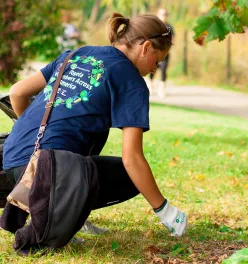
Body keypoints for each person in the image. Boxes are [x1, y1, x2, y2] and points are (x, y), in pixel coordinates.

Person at [1, 12, 187, 240]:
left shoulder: (77, 54)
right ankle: (62, 213)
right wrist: (165, 211)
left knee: (88, 138)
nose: (154, 69)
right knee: (128, 177)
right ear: (146, 47)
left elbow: (17, 92)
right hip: (50, 174)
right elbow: (133, 159)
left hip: (12, 160)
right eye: (157, 61)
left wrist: (29, 132)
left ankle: (66, 211)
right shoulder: (132, 82)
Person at [147, 8, 174, 99]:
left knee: (163, 71)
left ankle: (161, 90)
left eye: (165, 14)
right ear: (158, 15)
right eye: (162, 14)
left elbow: (172, 39)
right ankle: (150, 86)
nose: (164, 16)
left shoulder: (169, 27)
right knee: (152, 70)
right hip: (154, 53)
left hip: (165, 54)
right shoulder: (154, 26)